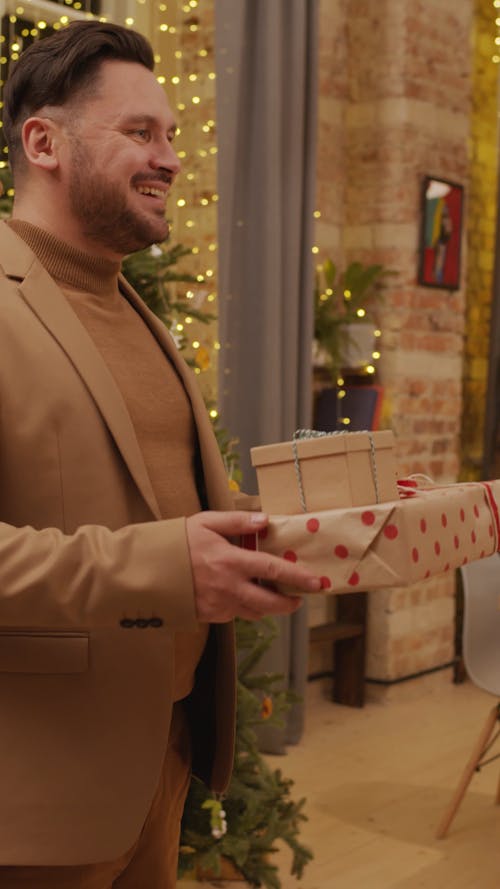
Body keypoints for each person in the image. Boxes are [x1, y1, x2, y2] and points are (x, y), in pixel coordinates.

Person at [0, 19, 321, 889]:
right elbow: (154, 554)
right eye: (141, 132)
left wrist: (292, 540)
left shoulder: (133, 306)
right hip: (33, 803)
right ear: (44, 142)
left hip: (163, 765)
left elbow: (157, 509)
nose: (172, 158)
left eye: (172, 135)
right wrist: (168, 569)